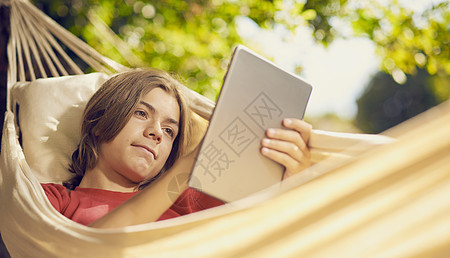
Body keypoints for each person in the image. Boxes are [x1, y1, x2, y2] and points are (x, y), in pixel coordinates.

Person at [42, 68, 312, 229]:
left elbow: (267, 232)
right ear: (100, 121)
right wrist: (186, 167)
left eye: (170, 130)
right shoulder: (55, 200)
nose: (157, 132)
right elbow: (91, 252)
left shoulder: (189, 199)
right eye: (140, 113)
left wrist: (296, 184)